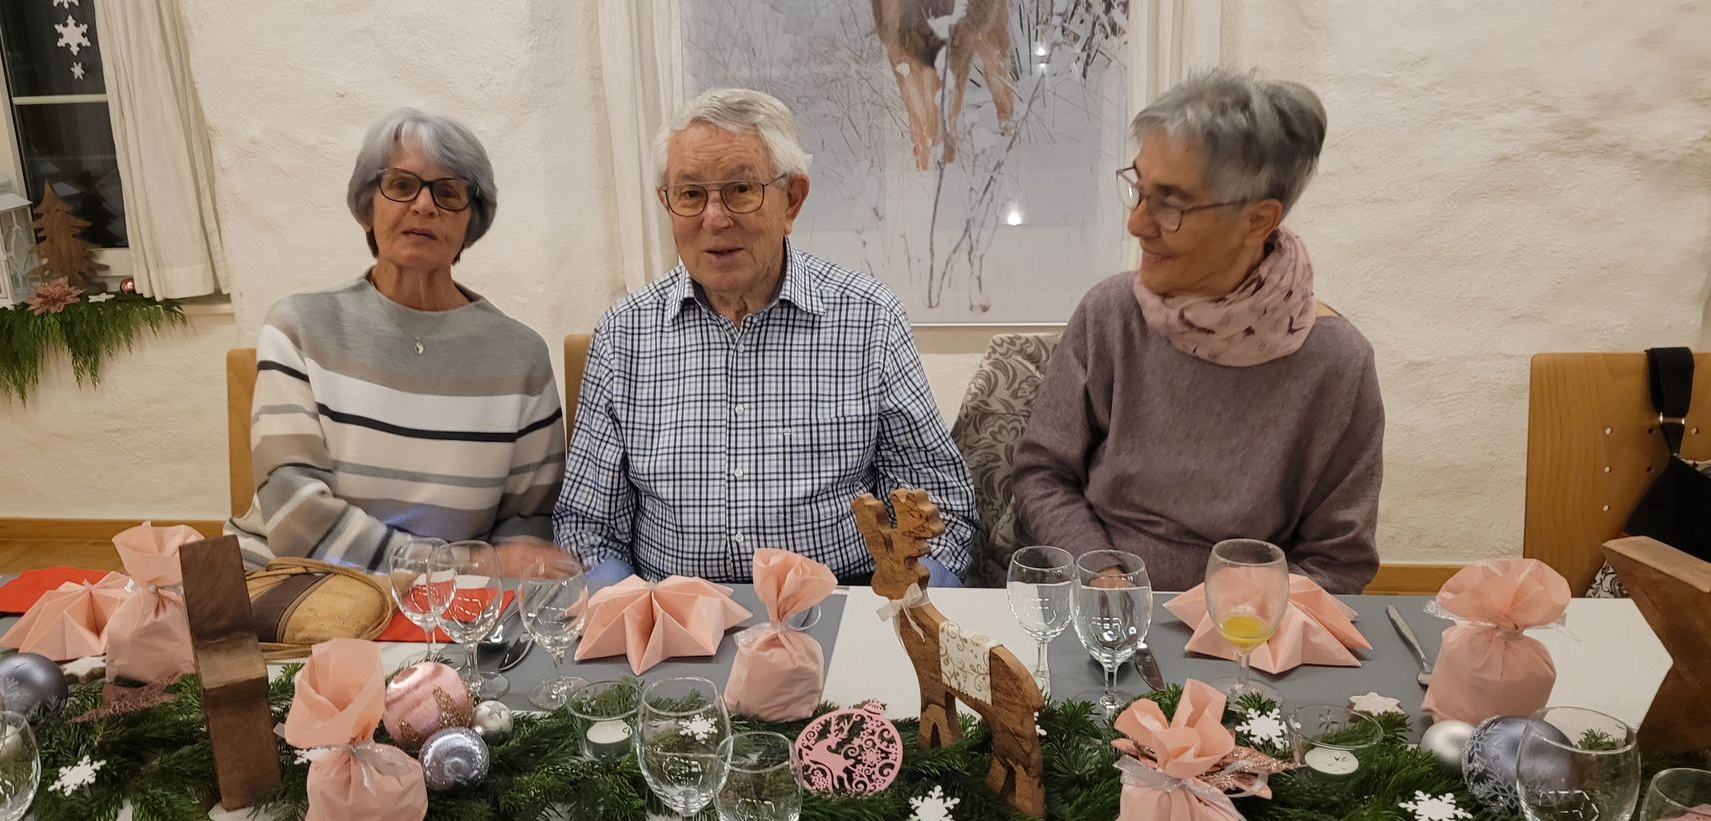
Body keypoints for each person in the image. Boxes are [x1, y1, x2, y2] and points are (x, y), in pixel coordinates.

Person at [555, 88, 977, 586]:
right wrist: (629, 611)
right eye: (690, 194)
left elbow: (938, 505)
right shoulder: (624, 333)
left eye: (741, 189)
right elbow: (587, 526)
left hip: (836, 608)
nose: (714, 218)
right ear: (667, 204)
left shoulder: (869, 319)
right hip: (672, 617)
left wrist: (903, 603)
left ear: (791, 199)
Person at [1011, 70, 1384, 592]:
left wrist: (1233, 618)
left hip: (1249, 625)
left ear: (1257, 221)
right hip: (1100, 603)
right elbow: (1042, 474)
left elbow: (1337, 559)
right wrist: (1103, 577)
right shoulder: (1111, 314)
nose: (1137, 224)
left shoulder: (1336, 362)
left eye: (1171, 204)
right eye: (1139, 190)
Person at [226, 108, 565, 573]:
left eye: (448, 193)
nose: (424, 206)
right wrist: (456, 566)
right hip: (294, 584)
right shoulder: (298, 328)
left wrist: (459, 586)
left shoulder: (521, 357)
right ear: (368, 207)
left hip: (451, 606)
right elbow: (296, 515)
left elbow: (526, 527)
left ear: (472, 221)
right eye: (402, 186)